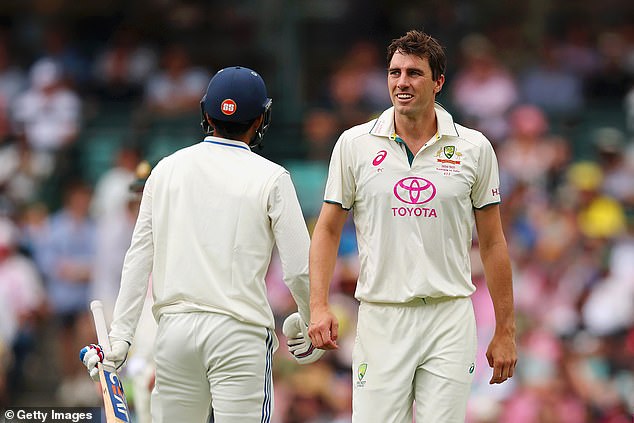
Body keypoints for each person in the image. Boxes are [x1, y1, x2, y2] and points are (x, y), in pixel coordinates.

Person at [79, 66, 322, 422]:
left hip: (175, 331)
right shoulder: (273, 177)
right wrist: (308, 320)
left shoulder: (164, 170)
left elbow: (138, 259)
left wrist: (120, 339)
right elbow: (300, 268)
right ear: (260, 120)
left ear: (206, 114)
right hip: (240, 334)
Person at [308, 30, 517, 423]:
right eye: (394, 73)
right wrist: (318, 304)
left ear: (438, 82)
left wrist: (506, 328)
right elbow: (328, 230)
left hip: (449, 317)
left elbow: (492, 243)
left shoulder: (474, 148)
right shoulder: (354, 144)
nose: (402, 83)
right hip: (381, 316)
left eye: (414, 73)